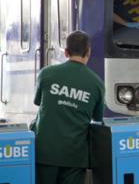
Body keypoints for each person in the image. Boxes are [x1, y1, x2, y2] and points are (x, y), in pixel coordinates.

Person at [31, 31, 105, 184]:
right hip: (75, 155)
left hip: (45, 152)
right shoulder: (97, 83)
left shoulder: (46, 74)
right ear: (88, 52)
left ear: (66, 52)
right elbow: (97, 119)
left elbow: (38, 101)